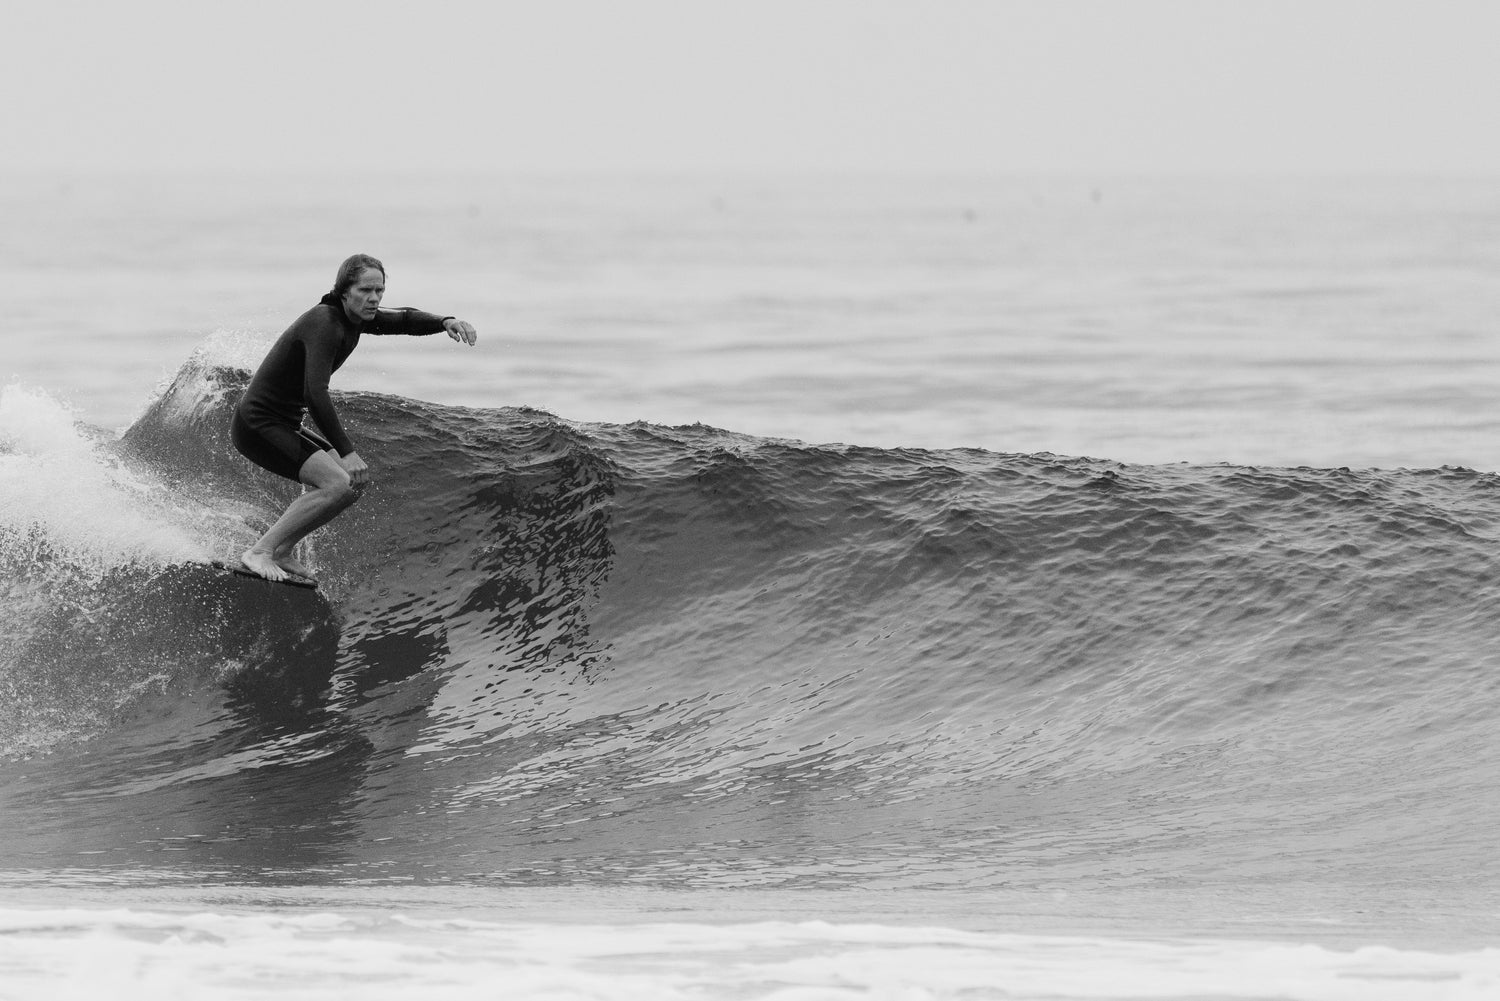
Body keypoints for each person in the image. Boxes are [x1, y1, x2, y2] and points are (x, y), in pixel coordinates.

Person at [229, 253, 478, 583]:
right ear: (344, 291)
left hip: (283, 422)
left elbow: (404, 319)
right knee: (337, 483)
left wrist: (445, 321)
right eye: (365, 290)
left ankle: (282, 549)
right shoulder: (325, 323)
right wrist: (347, 451)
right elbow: (314, 392)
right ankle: (260, 552)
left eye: (379, 290)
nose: (374, 298)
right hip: (257, 424)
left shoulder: (355, 317)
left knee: (350, 486)